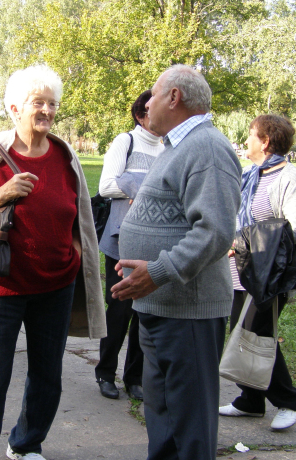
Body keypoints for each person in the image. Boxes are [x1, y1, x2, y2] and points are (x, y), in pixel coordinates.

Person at [0, 65, 107, 460]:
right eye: (39, 103)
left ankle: (27, 443)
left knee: (48, 377)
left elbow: (78, 212)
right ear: (15, 107)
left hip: (56, 286)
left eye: (53, 104)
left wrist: (76, 251)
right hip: (2, 288)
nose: (48, 111)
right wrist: (1, 193)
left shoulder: (64, 155)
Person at [110, 64, 241, 460]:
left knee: (188, 423)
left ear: (174, 97)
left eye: (152, 93)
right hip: (160, 306)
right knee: (162, 415)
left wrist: (160, 272)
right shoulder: (177, 147)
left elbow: (215, 232)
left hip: (188, 312)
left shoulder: (207, 148)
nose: (146, 103)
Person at [219, 114, 296, 430]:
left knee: (258, 334)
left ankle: (290, 401)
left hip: (270, 272)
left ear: (265, 141)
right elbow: (236, 216)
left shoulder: (291, 177)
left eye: (250, 135)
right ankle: (250, 400)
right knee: (244, 332)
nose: (246, 141)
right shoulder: (248, 175)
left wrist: (243, 241)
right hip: (240, 270)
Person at [94, 90, 164, 401]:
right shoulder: (127, 142)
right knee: (120, 310)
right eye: (154, 109)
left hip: (155, 242)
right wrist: (139, 186)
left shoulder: (167, 148)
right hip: (122, 241)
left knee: (144, 312)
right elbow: (105, 185)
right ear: (141, 115)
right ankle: (105, 373)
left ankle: (134, 378)